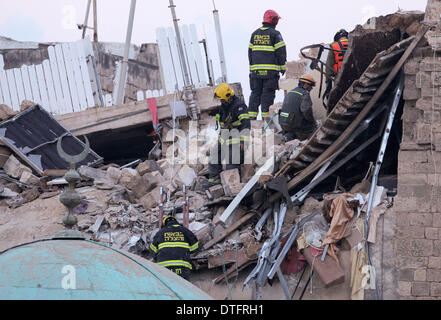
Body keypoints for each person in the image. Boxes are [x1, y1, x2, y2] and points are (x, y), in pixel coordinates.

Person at [203, 83, 250, 189]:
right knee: (214, 154)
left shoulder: (239, 106)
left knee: (231, 164)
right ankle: (214, 180)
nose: (221, 101)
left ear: (228, 97)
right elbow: (223, 126)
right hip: (225, 138)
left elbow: (246, 124)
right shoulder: (224, 107)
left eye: (222, 99)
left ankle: (233, 186)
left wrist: (243, 141)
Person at [248, 9, 287, 122]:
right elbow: (281, 52)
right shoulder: (275, 34)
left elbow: (250, 53)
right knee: (267, 96)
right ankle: (265, 121)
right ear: (273, 21)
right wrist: (283, 67)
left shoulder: (254, 34)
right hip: (270, 73)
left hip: (256, 73)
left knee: (255, 95)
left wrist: (252, 69)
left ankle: (251, 120)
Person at [149, 216, 199, 281]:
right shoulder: (185, 231)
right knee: (183, 287)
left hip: (164, 268)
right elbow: (195, 246)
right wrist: (187, 252)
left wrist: (157, 258)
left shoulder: (160, 233)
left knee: (165, 287)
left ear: (165, 224)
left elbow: (152, 249)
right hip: (182, 267)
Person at [278, 74, 317, 141]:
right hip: (293, 125)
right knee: (312, 127)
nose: (311, 88)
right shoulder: (304, 94)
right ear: (306, 85)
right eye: (311, 86)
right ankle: (297, 136)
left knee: (293, 126)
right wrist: (313, 121)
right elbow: (306, 111)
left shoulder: (290, 92)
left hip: (282, 123)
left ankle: (288, 136)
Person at [323, 29, 349, 111]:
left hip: (340, 76)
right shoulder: (353, 43)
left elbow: (329, 65)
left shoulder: (334, 46)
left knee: (340, 97)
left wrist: (328, 81)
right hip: (354, 74)